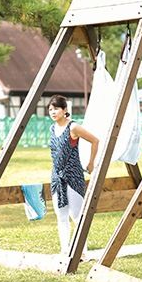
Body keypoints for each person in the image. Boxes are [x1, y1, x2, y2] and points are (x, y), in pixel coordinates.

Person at [48, 95, 99, 255]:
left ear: (64, 110)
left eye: (56, 108)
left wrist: (91, 163)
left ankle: (82, 251)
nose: (53, 112)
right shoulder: (51, 128)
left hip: (72, 176)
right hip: (56, 177)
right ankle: (64, 250)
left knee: (76, 215)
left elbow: (95, 141)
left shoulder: (73, 127)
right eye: (50, 109)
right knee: (61, 215)